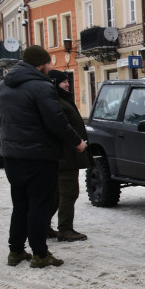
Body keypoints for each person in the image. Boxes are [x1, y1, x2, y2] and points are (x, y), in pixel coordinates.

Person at [0, 45, 87, 268]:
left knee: (20, 205)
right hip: (38, 156)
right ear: (40, 65)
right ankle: (40, 254)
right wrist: (77, 142)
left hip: (11, 156)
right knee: (39, 205)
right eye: (48, 63)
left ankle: (16, 251)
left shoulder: (3, 86)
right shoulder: (41, 86)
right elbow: (56, 120)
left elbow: (0, 118)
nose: (49, 67)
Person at [48, 69, 89, 242]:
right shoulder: (57, 102)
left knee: (57, 193)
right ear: (55, 83)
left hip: (65, 155)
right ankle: (65, 229)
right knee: (68, 192)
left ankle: (44, 225)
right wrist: (77, 143)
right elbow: (62, 129)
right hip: (65, 156)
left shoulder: (61, 100)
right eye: (64, 81)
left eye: (68, 81)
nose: (68, 84)